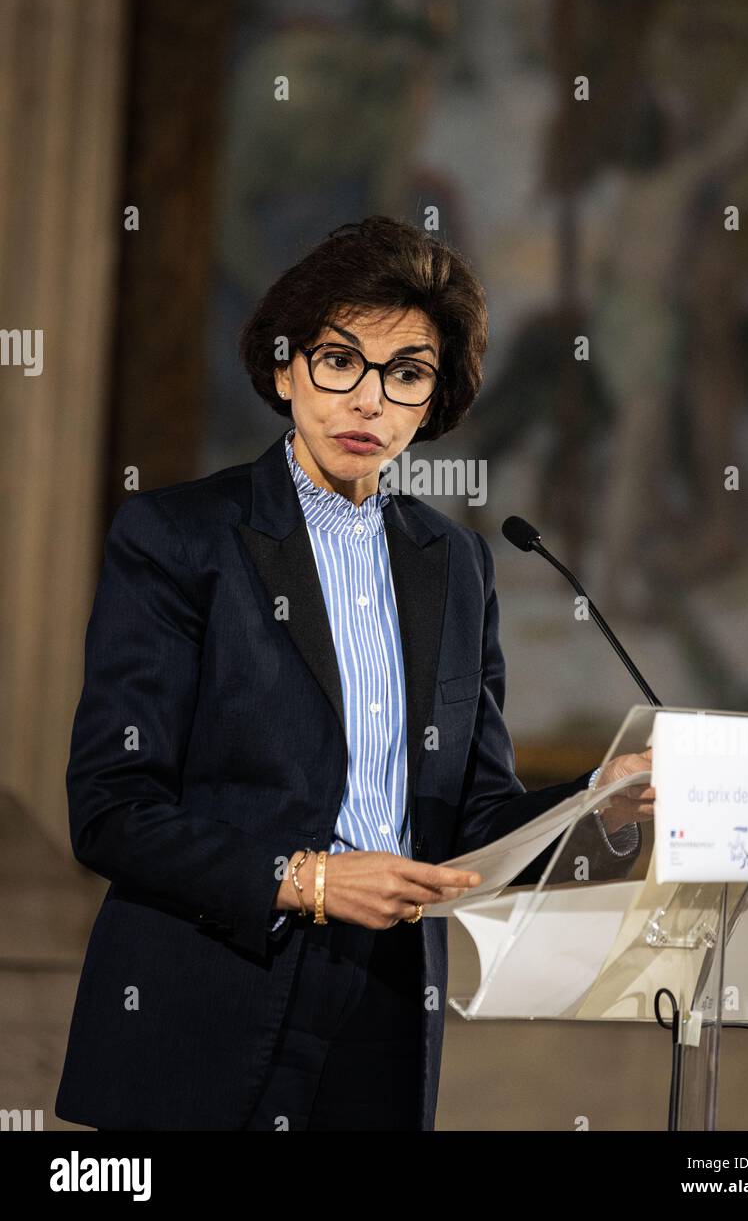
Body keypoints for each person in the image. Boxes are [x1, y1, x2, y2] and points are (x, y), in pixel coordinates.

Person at [55, 216, 653, 1132]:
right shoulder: (180, 537)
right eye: (341, 361)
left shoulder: (456, 566)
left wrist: (591, 803)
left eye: (405, 375)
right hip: (207, 1002)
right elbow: (111, 808)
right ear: (287, 369)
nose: (368, 401)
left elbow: (473, 818)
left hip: (386, 1007)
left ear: (432, 402)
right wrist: (312, 881)